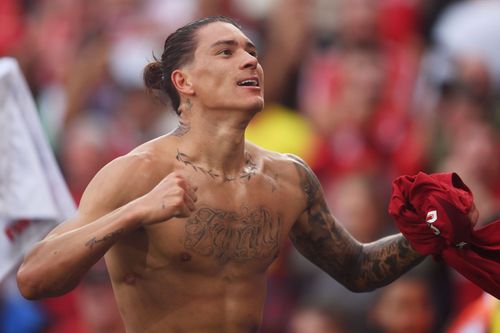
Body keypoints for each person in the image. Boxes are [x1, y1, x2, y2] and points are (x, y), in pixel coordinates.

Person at [16, 16, 425, 333]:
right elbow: (33, 278)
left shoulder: (288, 178)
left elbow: (356, 268)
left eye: (251, 51)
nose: (251, 59)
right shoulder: (137, 174)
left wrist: (431, 231)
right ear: (184, 81)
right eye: (226, 52)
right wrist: (136, 211)